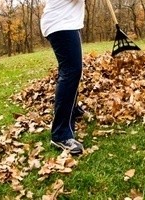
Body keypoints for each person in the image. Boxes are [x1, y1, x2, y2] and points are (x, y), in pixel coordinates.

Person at [40, 0, 85, 154]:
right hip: (60, 23)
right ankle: (60, 134)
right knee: (71, 71)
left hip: (66, 22)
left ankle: (73, 109)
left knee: (73, 70)